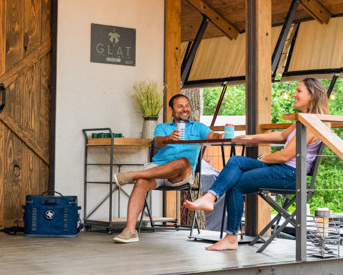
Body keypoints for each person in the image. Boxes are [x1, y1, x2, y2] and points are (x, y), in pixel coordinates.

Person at [183, 78, 329, 251]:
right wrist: (250, 137)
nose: (295, 95)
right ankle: (212, 199)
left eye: (299, 91)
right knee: (236, 161)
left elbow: (284, 155)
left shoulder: (312, 125)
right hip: (282, 171)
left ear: (312, 96)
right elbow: (281, 136)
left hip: (290, 175)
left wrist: (261, 159)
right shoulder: (302, 120)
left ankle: (228, 232)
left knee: (235, 183)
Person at [112, 94, 223, 243]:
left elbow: (211, 136)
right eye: (180, 106)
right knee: (141, 183)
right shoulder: (162, 127)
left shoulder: (198, 127)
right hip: (158, 169)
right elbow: (157, 142)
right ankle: (130, 231)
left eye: (187, 105)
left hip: (181, 175)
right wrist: (168, 139)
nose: (185, 109)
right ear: (171, 109)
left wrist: (219, 136)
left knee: (182, 162)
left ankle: (134, 174)